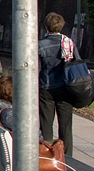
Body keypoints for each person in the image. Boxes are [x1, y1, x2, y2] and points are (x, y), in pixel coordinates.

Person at [39, 12, 76, 156]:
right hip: (65, 88)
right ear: (61, 26)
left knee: (46, 125)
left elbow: (36, 69)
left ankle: (48, 156)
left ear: (46, 26)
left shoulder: (41, 45)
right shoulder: (68, 42)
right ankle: (67, 157)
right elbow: (76, 64)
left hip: (46, 88)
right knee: (66, 126)